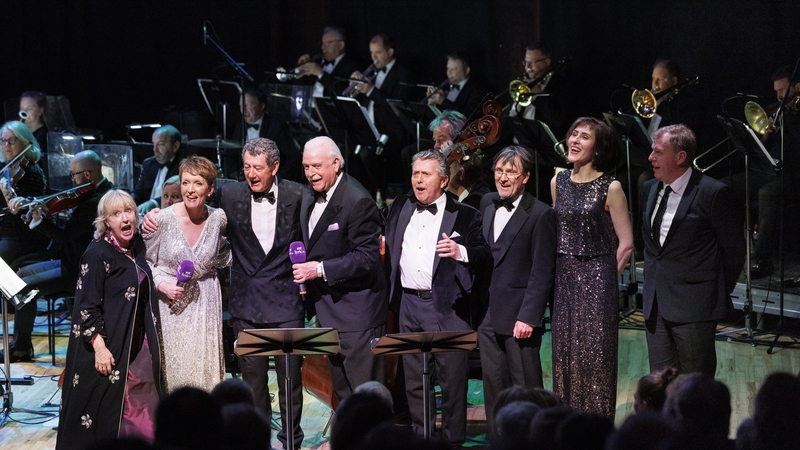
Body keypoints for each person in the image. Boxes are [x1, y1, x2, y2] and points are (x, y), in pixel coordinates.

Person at [384, 150, 492, 446]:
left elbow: (485, 256)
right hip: (408, 305)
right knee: (415, 383)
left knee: (452, 385)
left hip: (446, 308)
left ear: (444, 180)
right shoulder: (401, 206)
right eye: (415, 173)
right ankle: (422, 440)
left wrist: (461, 252)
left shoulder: (466, 214)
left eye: (425, 174)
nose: (418, 180)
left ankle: (452, 443)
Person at [56, 190, 164, 449]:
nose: (125, 218)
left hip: (136, 343)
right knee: (98, 415)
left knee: (143, 409)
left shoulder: (137, 244)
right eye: (116, 214)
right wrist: (100, 348)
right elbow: (86, 307)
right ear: (105, 222)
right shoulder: (97, 254)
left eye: (129, 211)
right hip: (106, 347)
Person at [216, 138, 306, 449]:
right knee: (252, 384)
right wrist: (156, 217)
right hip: (247, 307)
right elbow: (192, 201)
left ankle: (291, 441)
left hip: (286, 304)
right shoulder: (229, 195)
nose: (251, 174)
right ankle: (257, 443)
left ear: (275, 167)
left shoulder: (298, 194)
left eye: (257, 168)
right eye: (246, 167)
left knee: (289, 382)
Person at [641, 124, 745, 377]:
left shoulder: (712, 192)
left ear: (680, 157)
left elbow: (734, 250)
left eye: (658, 152)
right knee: (661, 382)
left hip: (695, 307)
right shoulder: (649, 188)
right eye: (652, 151)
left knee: (694, 386)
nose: (650, 157)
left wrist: (710, 292)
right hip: (655, 303)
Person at [550, 117, 634, 419]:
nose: (574, 140)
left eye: (584, 137)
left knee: (595, 358)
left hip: (598, 280)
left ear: (597, 149)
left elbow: (625, 244)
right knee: (565, 355)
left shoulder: (610, 187)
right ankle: (564, 426)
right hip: (564, 277)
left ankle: (595, 429)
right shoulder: (557, 181)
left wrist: (603, 281)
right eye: (573, 134)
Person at [292, 136, 388, 402]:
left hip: (357, 314)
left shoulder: (357, 200)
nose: (311, 173)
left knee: (366, 397)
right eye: (306, 167)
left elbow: (367, 258)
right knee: (343, 393)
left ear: (336, 164)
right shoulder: (309, 193)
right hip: (328, 309)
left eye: (317, 166)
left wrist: (319, 269)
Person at [3, 150, 112, 362]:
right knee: (21, 273)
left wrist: (40, 221)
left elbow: (64, 236)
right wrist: (34, 206)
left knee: (25, 289)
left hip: (81, 273)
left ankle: (21, 348)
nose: (72, 181)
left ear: (88, 175)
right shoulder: (92, 192)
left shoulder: (97, 202)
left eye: (73, 175)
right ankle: (19, 342)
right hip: (70, 261)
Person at [478, 146, 556, 437]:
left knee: (526, 389)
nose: (503, 177)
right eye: (499, 171)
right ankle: (498, 441)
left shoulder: (540, 214)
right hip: (487, 315)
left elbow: (542, 271)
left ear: (525, 177)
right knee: (494, 388)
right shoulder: (487, 203)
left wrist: (529, 317)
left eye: (511, 172)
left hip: (519, 319)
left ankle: (536, 441)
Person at [143, 156, 231, 392]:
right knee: (177, 371)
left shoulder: (218, 218)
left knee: (205, 371)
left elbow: (223, 256)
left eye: (198, 183)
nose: (190, 190)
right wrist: (162, 285)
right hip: (171, 304)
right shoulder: (161, 220)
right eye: (185, 182)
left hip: (206, 302)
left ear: (210, 189)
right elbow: (145, 264)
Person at [750, 66, 800, 280]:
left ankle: (762, 259)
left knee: (767, 193)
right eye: (776, 92)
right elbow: (758, 151)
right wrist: (764, 135)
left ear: (798, 87)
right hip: (770, 170)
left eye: (783, 90)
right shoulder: (781, 113)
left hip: (793, 175)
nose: (779, 96)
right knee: (724, 186)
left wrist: (785, 124)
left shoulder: (793, 115)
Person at [349, 33, 414, 189]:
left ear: (390, 52)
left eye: (378, 53)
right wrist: (355, 90)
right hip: (369, 131)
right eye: (371, 53)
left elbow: (395, 110)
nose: (374, 58)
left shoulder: (403, 75)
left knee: (367, 156)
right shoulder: (372, 72)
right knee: (347, 154)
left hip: (391, 134)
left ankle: (379, 197)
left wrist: (371, 91)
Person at [229, 86, 303, 183]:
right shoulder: (239, 127)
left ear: (261, 106)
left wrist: (276, 179)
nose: (243, 110)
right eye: (241, 105)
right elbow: (231, 157)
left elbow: (294, 156)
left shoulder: (277, 127)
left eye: (248, 105)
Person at [0, 120, 49, 263]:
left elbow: (21, 214)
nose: (6, 145)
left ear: (25, 142)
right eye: (3, 140)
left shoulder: (33, 172)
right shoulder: (5, 168)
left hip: (18, 236)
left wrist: (6, 193)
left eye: (12, 140)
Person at [297, 26, 360, 98]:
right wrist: (300, 68)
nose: (323, 47)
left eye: (328, 43)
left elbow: (342, 92)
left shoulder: (350, 66)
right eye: (323, 43)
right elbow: (301, 88)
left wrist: (321, 74)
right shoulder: (319, 61)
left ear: (341, 45)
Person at [132, 125, 182, 214]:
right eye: (154, 144)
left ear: (175, 146)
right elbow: (138, 193)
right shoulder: (148, 164)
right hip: (147, 216)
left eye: (160, 144)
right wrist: (128, 201)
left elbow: (176, 196)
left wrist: (153, 203)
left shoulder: (183, 166)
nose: (155, 149)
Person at [426, 51, 486, 117]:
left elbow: (468, 116)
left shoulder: (476, 89)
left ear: (466, 71)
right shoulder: (445, 86)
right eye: (448, 68)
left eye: (453, 69)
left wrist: (443, 101)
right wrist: (433, 104)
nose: (449, 72)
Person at [19, 91, 49, 176]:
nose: (24, 112)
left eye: (29, 109)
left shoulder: (45, 136)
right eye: (22, 108)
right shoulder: (20, 133)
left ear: (40, 111)